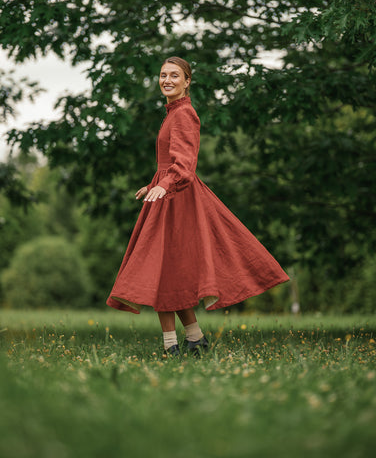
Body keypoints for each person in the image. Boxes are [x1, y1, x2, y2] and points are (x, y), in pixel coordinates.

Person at [107, 57, 290, 357]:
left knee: (160, 272)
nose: (167, 80)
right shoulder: (173, 112)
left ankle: (173, 347)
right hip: (167, 195)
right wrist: (153, 182)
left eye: (174, 75)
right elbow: (170, 164)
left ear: (187, 80)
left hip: (178, 199)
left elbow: (185, 166)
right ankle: (194, 339)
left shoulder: (184, 114)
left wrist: (164, 184)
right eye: (163, 75)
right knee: (168, 273)